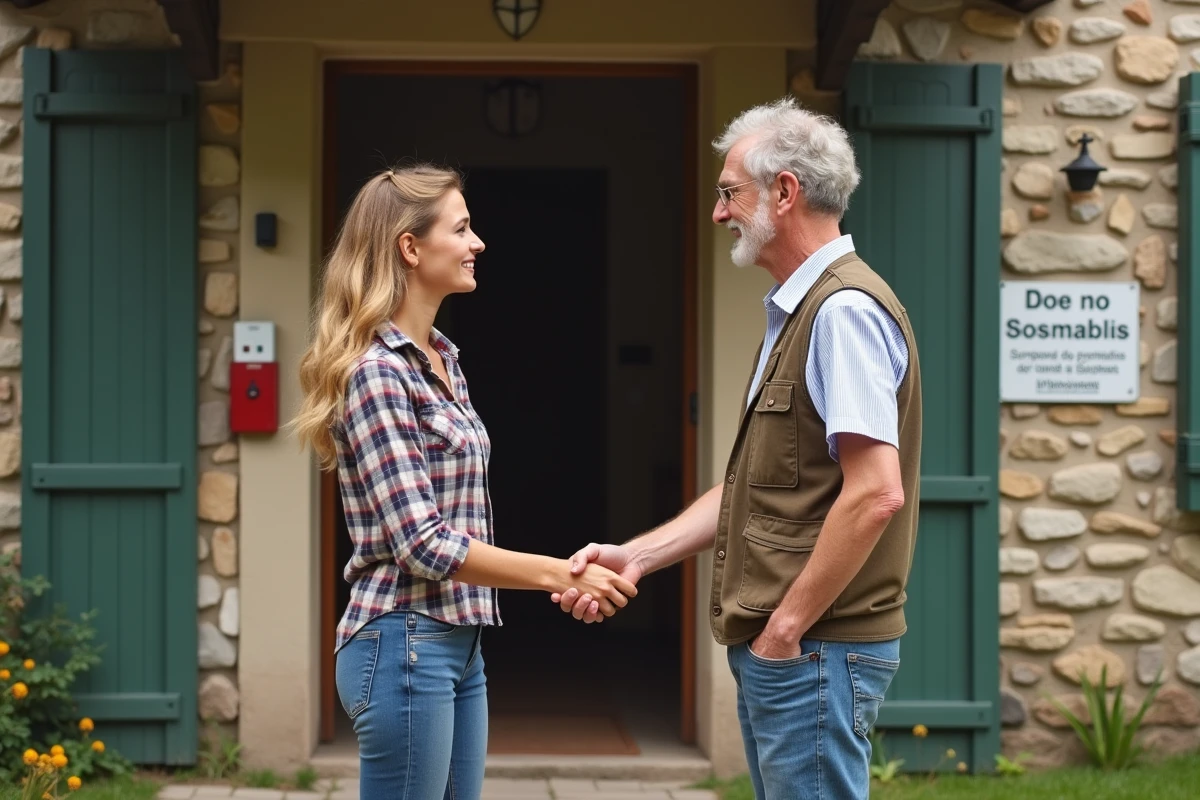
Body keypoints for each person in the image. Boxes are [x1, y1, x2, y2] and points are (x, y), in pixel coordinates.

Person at [554, 97, 922, 799]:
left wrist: (785, 629)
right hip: (801, 649)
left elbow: (876, 491)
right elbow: (761, 484)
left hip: (814, 648)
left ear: (784, 192)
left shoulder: (840, 312)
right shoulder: (799, 310)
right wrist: (637, 556)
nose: (720, 212)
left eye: (730, 193)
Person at [292, 164, 637, 800]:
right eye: (463, 227)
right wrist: (564, 574)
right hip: (403, 643)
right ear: (410, 246)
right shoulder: (378, 375)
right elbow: (422, 543)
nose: (478, 243)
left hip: (459, 641)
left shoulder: (443, 362)